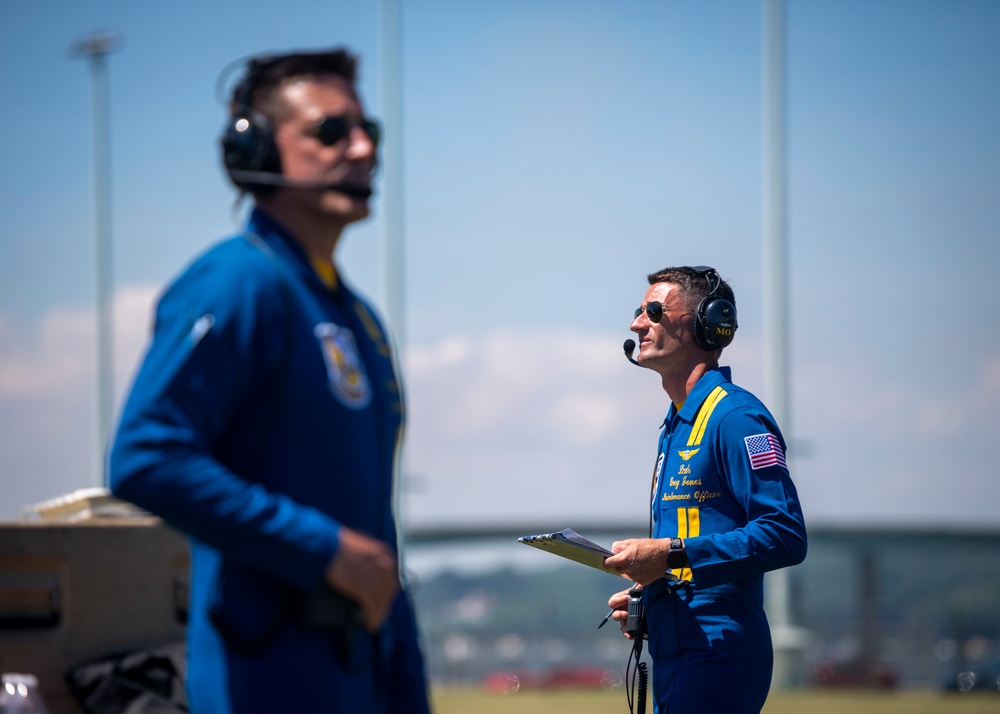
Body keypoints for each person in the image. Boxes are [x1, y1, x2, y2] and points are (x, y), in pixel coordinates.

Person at [108, 48, 430, 714]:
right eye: (332, 131)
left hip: (357, 677)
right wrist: (322, 550)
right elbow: (148, 455)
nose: (365, 148)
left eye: (371, 131)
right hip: (266, 678)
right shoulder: (237, 283)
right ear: (253, 151)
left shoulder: (358, 318)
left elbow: (376, 540)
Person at [603, 266, 807, 714]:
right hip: (678, 649)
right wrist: (649, 592)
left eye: (654, 311)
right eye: (638, 312)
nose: (638, 323)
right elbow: (690, 543)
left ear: (704, 323)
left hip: (718, 651)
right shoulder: (675, 424)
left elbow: (785, 534)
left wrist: (670, 556)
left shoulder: (736, 418)